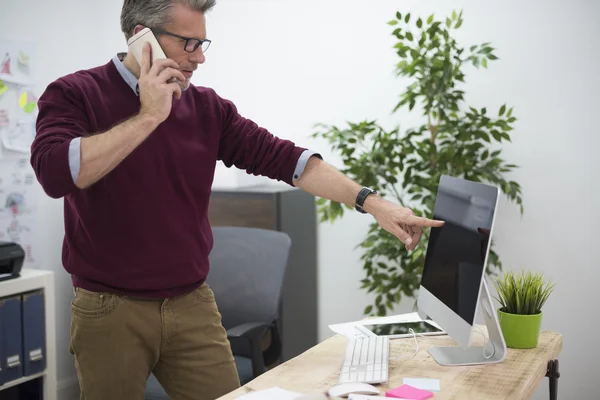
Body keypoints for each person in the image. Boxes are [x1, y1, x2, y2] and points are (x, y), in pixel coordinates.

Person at [30, 0, 444, 399]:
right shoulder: (74, 93)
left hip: (190, 303)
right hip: (110, 308)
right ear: (143, 39)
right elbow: (56, 172)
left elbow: (288, 160)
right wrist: (149, 115)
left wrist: (373, 203)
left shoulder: (208, 108)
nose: (199, 57)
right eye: (187, 43)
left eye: (202, 43)